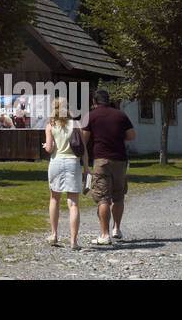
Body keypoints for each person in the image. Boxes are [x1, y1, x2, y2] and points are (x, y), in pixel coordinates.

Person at [81, 88, 135, 245]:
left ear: (94, 102)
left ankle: (104, 235)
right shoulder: (121, 115)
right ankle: (116, 228)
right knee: (118, 195)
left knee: (102, 197)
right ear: (109, 100)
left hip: (101, 160)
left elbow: (84, 139)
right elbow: (132, 136)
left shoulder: (90, 116)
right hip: (120, 159)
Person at [42, 96, 87, 248]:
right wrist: (86, 169)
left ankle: (54, 234)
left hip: (56, 162)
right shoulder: (76, 124)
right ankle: (74, 241)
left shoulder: (50, 125)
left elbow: (49, 149)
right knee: (73, 203)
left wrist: (46, 146)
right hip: (72, 162)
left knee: (54, 198)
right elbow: (83, 149)